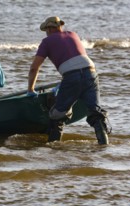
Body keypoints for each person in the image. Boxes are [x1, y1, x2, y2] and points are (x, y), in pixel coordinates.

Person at [27, 16, 111, 145]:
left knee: (57, 115)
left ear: (49, 28)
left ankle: (53, 149)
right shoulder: (73, 34)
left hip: (72, 76)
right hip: (91, 73)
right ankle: (104, 146)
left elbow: (34, 68)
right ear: (60, 26)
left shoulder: (47, 41)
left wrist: (31, 89)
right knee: (95, 112)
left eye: (46, 29)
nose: (46, 32)